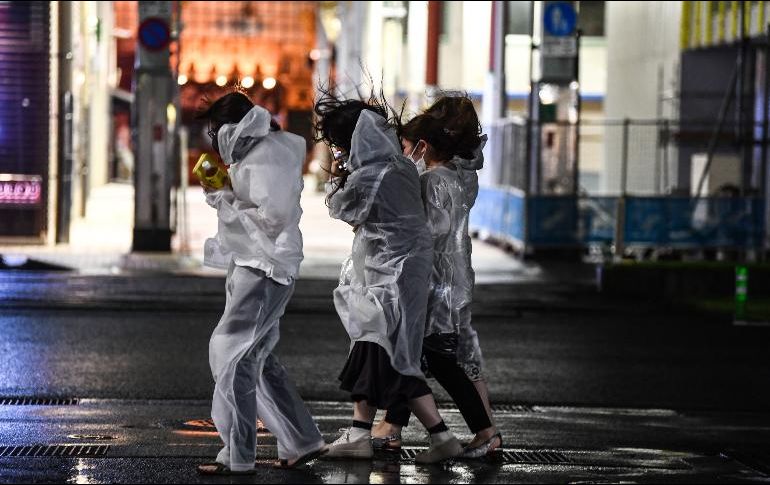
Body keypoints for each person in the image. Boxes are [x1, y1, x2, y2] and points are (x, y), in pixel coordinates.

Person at [314, 90, 463, 464]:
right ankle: (374, 433)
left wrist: (338, 173)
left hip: (391, 274)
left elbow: (341, 207)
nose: (338, 152)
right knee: (383, 349)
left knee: (382, 347)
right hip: (401, 271)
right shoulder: (397, 165)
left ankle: (406, 435)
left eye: (339, 145)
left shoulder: (373, 174)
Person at [195, 92, 326, 476]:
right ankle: (302, 439)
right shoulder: (269, 149)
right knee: (258, 358)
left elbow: (271, 217)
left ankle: (239, 455)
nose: (216, 138)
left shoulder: (265, 155)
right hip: (262, 264)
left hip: (263, 267)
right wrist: (228, 194)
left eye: (217, 129)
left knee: (232, 355)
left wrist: (223, 199)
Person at [371, 95, 502, 459]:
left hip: (435, 282)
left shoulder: (432, 181)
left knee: (428, 358)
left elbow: (426, 231)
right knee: (419, 356)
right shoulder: (458, 177)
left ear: (424, 145)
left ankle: (483, 432)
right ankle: (393, 426)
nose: (406, 153)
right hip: (452, 277)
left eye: (408, 147)